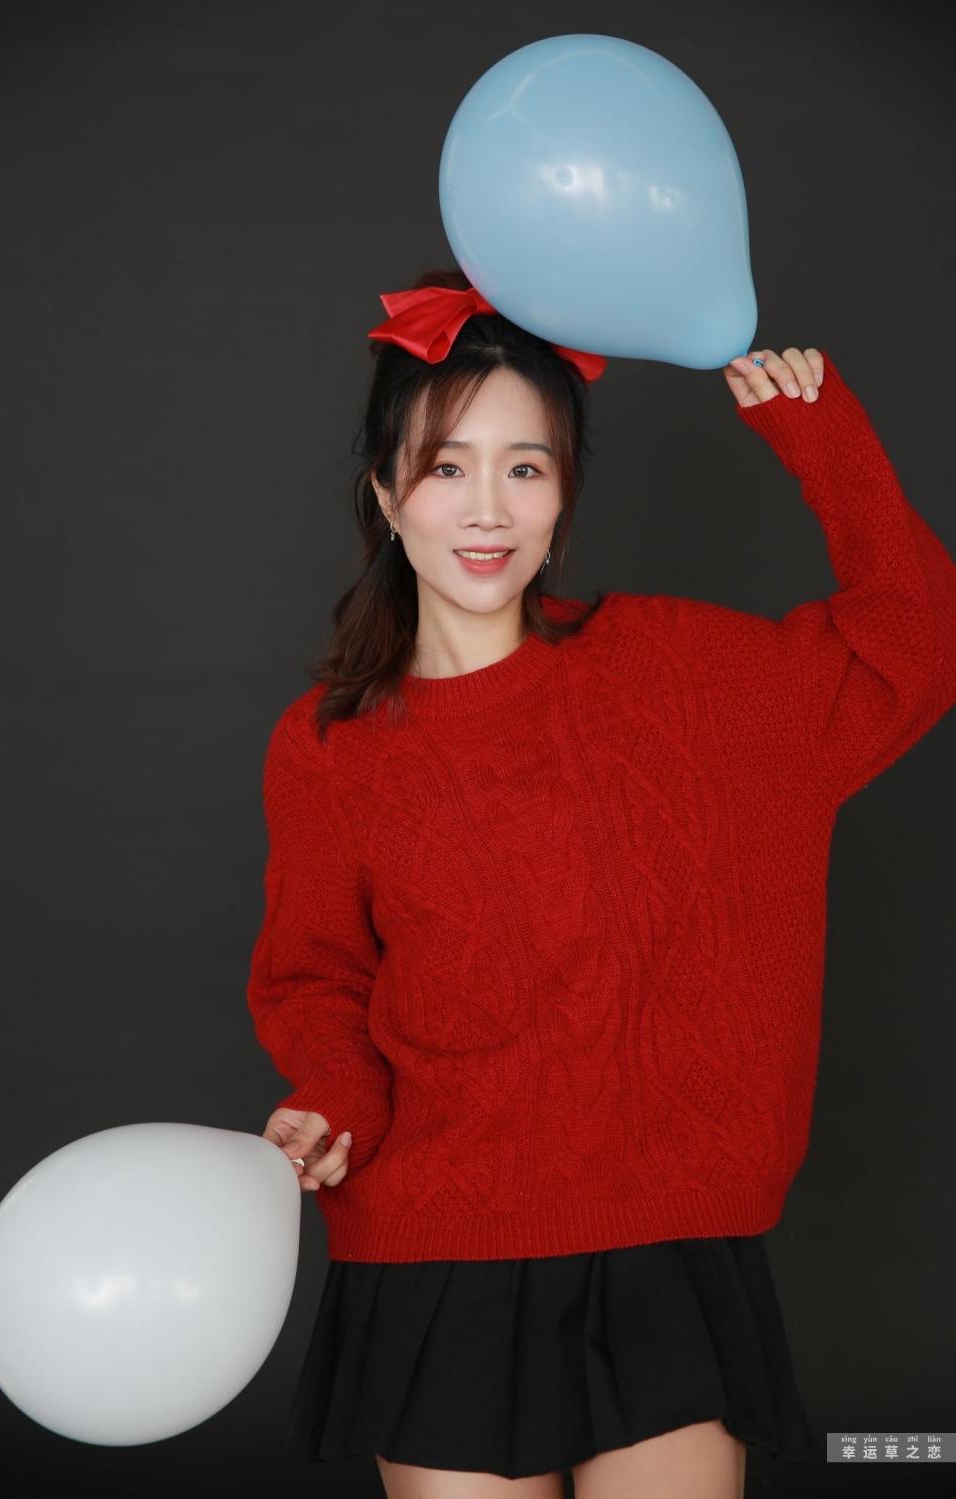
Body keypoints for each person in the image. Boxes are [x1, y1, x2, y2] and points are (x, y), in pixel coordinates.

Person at [245, 266, 956, 1499]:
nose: (488, 506)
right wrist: (335, 1099)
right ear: (386, 494)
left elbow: (917, 645)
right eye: (447, 465)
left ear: (563, 492)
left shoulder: (684, 673)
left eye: (525, 466)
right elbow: (318, 976)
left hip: (660, 1240)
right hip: (436, 1245)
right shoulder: (327, 743)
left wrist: (824, 441)